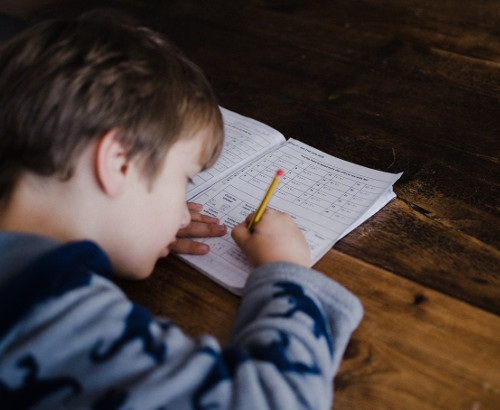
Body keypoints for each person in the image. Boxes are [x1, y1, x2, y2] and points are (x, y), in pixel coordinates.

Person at [0, 11, 363, 410]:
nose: (185, 216)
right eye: (185, 179)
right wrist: (287, 273)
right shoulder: (49, 316)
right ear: (120, 163)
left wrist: (125, 229)